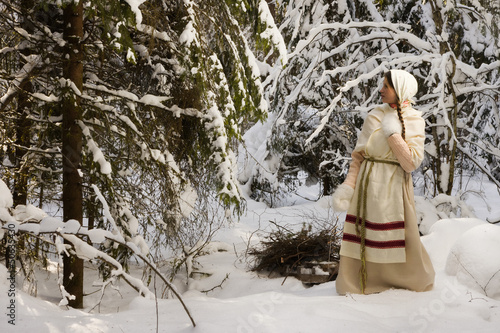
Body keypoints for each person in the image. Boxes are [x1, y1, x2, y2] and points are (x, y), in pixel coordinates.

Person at [331, 69, 435, 295]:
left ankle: (401, 280)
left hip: (394, 186)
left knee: (395, 236)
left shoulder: (414, 120)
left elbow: (411, 163)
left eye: (386, 86)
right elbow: (358, 156)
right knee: (363, 235)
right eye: (382, 85)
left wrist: (393, 135)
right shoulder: (374, 115)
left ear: (401, 90)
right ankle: (357, 283)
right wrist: (348, 187)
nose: (381, 90)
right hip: (366, 187)